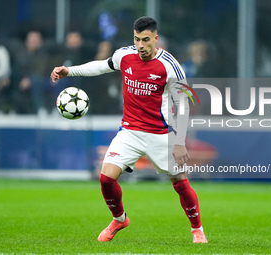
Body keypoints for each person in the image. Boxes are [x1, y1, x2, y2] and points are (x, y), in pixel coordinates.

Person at [50, 16, 207, 244]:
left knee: (180, 182)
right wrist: (70, 72)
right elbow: (102, 66)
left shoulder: (170, 66)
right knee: (105, 178)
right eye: (136, 39)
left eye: (145, 40)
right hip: (130, 131)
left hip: (160, 133)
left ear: (155, 39)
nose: (140, 45)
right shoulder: (125, 55)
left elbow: (183, 104)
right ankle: (119, 219)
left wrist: (180, 141)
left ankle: (197, 230)